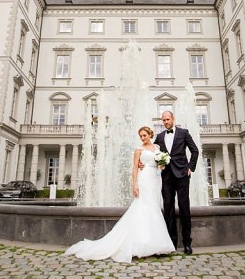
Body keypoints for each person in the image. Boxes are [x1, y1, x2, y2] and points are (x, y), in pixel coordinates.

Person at [64, 126, 175, 263]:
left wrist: (162, 165)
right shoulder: (139, 149)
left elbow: (159, 165)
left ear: (150, 135)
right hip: (144, 179)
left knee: (154, 208)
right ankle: (141, 244)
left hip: (155, 180)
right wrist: (134, 184)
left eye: (144, 135)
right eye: (140, 136)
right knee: (143, 207)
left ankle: (156, 244)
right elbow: (134, 167)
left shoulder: (157, 148)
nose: (142, 138)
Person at [152, 110, 199, 254]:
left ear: (173, 119)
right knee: (168, 210)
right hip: (167, 177)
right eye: (163, 120)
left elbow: (195, 150)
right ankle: (170, 244)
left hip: (182, 175)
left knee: (185, 208)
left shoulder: (184, 132)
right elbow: (152, 153)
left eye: (167, 119)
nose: (165, 122)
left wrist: (191, 167)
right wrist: (144, 162)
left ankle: (187, 243)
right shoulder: (159, 137)